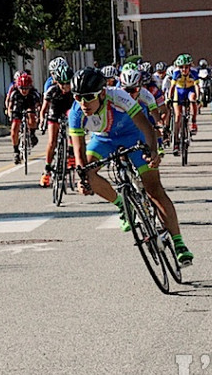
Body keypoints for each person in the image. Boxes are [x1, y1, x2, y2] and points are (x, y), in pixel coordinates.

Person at [68, 67, 193, 265]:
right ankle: (122, 205)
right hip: (103, 139)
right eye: (77, 97)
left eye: (88, 97)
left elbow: (146, 126)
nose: (83, 103)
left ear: (101, 93)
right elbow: (79, 150)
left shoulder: (119, 97)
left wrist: (153, 151)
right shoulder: (76, 113)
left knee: (154, 190)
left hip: (133, 135)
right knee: (88, 174)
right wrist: (83, 178)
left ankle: (179, 243)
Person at [38, 64, 74, 187]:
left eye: (67, 83)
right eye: (62, 84)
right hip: (55, 111)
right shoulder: (52, 90)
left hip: (69, 110)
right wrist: (42, 120)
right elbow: (44, 110)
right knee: (52, 141)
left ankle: (71, 153)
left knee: (74, 130)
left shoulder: (74, 91)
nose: (65, 87)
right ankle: (47, 170)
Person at [7, 72, 41, 164]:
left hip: (29, 105)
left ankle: (32, 134)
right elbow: (10, 106)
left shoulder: (33, 93)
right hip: (18, 107)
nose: (24, 91)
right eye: (21, 88)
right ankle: (15, 151)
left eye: (26, 88)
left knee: (31, 115)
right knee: (14, 127)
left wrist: (38, 115)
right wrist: (10, 114)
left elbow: (38, 106)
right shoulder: (14, 93)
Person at [168, 53, 200, 153]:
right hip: (179, 91)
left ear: (190, 66)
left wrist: (198, 98)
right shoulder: (176, 73)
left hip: (190, 90)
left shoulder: (194, 72)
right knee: (177, 116)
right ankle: (176, 143)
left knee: (193, 98)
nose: (184, 69)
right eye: (181, 67)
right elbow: (172, 88)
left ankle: (193, 122)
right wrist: (169, 98)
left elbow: (197, 87)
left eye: (187, 67)